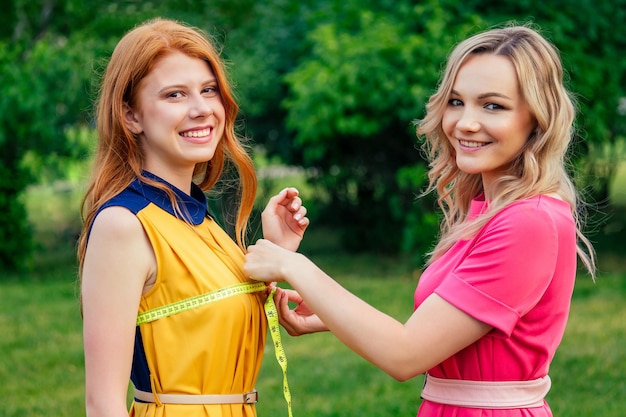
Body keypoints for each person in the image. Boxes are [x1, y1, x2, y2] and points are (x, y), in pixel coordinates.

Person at [244, 24, 596, 417]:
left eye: (493, 105)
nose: (465, 122)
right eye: (457, 101)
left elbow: (405, 354)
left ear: (537, 118)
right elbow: (435, 337)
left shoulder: (528, 222)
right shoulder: (491, 210)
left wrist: (292, 265)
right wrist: (329, 313)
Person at [77, 18, 309, 417]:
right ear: (131, 116)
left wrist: (274, 257)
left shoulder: (197, 217)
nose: (202, 109)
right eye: (175, 95)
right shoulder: (123, 225)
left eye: (208, 90)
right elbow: (102, 404)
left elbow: (199, 322)